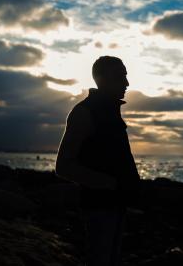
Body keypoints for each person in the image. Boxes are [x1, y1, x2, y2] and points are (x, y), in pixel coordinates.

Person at [55, 56, 141, 266]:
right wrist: (108, 184)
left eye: (125, 77)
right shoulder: (84, 112)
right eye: (120, 77)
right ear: (101, 79)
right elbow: (63, 166)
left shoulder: (110, 112)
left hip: (116, 205)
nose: (127, 83)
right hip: (99, 208)